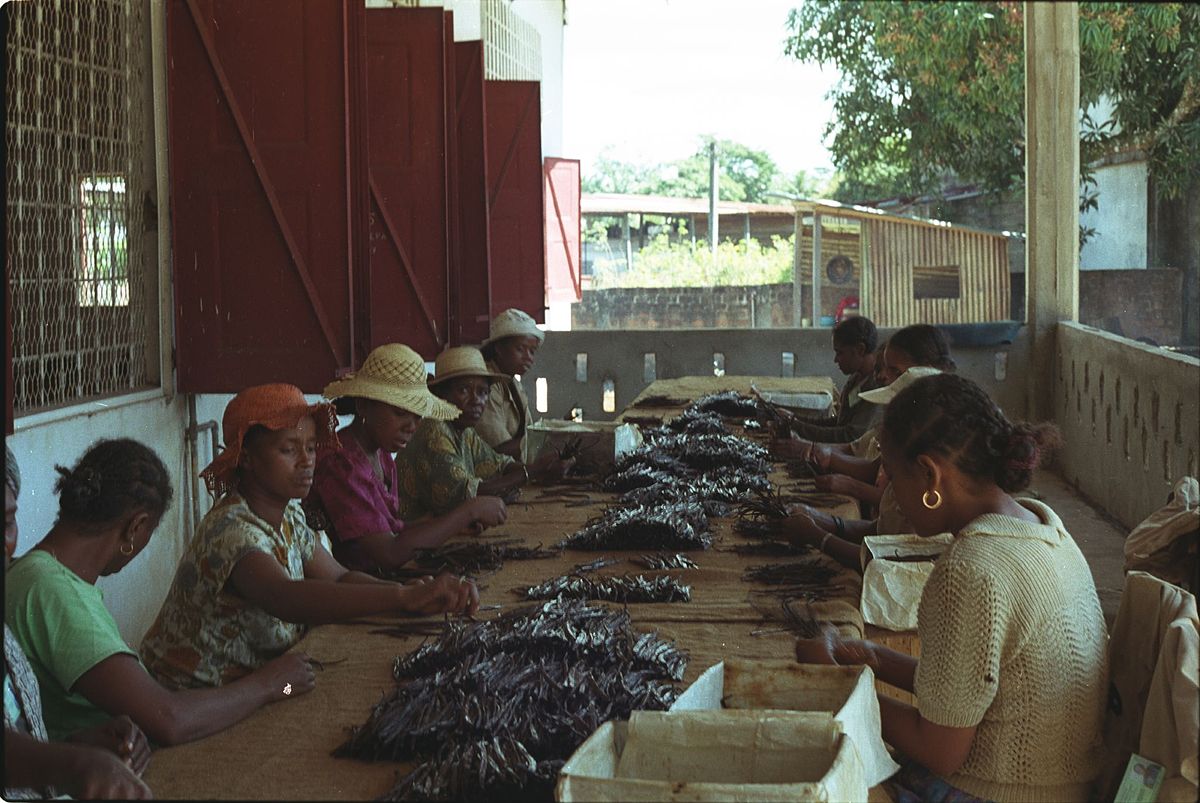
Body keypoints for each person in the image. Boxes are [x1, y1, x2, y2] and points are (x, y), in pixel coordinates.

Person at [794, 373, 1108, 803]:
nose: (890, 493)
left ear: (929, 476)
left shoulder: (972, 571)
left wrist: (837, 688)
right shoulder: (1044, 527)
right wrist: (872, 658)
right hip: (1065, 786)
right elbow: (968, 684)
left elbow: (939, 751)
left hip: (1005, 793)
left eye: (891, 475)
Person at [140, 384, 479, 692]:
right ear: (247, 459)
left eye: (312, 448)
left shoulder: (288, 515)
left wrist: (414, 594)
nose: (307, 462)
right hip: (191, 696)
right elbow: (284, 596)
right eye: (289, 450)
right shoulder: (230, 530)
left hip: (252, 685)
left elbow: (340, 576)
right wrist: (402, 599)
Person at [5, 438, 315, 748]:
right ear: (135, 528)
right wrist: (273, 685)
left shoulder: (37, 575)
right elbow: (169, 720)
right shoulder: (51, 590)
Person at [4, 446, 152, 799]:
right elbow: (169, 718)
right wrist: (68, 763)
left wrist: (75, 747)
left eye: (6, 522)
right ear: (137, 527)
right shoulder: (45, 585)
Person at [305, 344, 509, 573]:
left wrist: (451, 526)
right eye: (400, 413)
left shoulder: (381, 455)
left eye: (417, 415)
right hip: (354, 590)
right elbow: (389, 552)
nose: (411, 426)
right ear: (363, 406)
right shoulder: (341, 464)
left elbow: (391, 529)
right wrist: (468, 511)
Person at [398, 347, 573, 520]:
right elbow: (471, 493)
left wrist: (544, 468)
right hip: (411, 538)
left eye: (483, 392)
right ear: (439, 394)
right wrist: (535, 471)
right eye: (463, 390)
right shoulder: (434, 431)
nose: (476, 401)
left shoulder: (463, 430)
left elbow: (499, 465)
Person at [780, 315, 882, 444]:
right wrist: (793, 419)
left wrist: (796, 425)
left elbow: (850, 436)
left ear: (860, 349)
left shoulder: (876, 388)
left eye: (840, 353)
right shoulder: (856, 378)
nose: (836, 359)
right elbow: (839, 422)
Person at [476, 308, 544, 461]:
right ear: (499, 348)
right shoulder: (487, 386)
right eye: (520, 349)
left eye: (532, 351)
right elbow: (498, 450)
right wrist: (547, 439)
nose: (528, 357)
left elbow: (529, 433)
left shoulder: (514, 384)